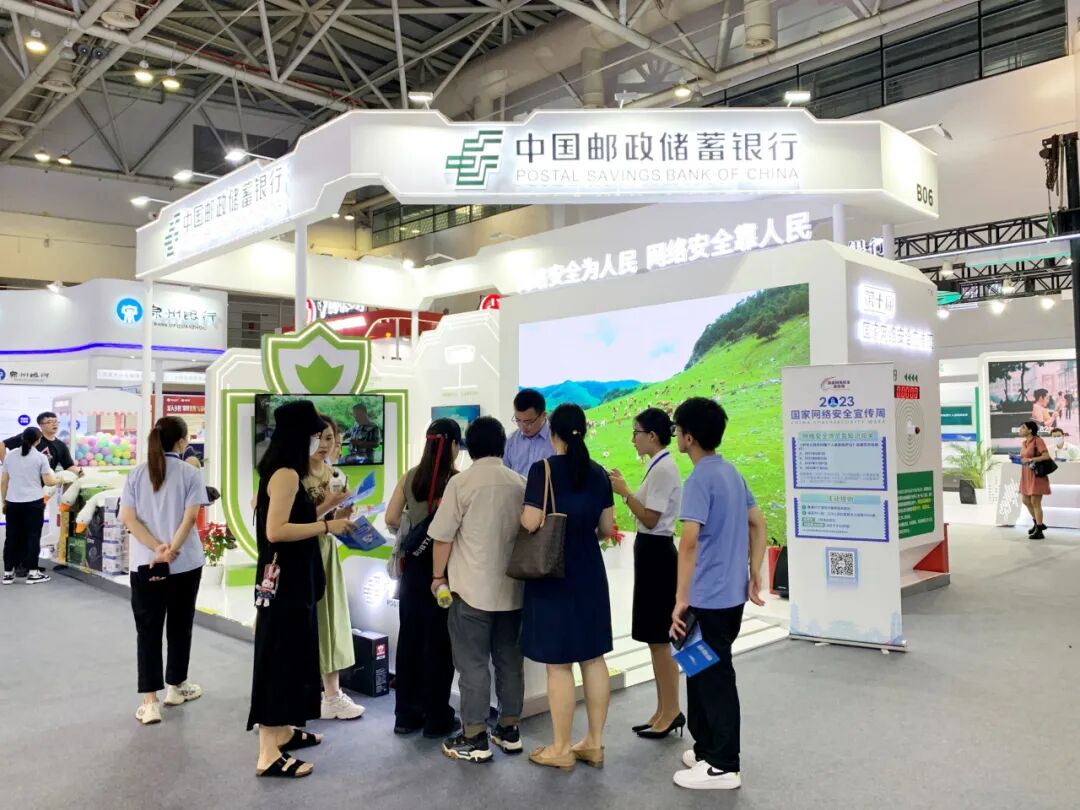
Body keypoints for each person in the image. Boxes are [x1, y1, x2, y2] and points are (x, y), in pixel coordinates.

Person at [248, 400, 355, 779]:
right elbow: (276, 531)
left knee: (293, 657)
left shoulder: (286, 472)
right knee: (278, 660)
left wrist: (330, 510)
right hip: (285, 583)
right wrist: (327, 526)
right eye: (314, 435)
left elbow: (297, 517)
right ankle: (268, 751)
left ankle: (283, 731)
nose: (320, 442)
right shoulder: (285, 475)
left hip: (296, 580)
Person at [670, 397, 766, 791]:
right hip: (730, 596)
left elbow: (689, 542)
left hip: (707, 598)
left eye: (677, 429)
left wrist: (680, 597)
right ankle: (706, 749)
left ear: (689, 437)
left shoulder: (698, 480)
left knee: (715, 679)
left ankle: (724, 764)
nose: (676, 435)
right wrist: (754, 572)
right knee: (699, 672)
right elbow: (758, 524)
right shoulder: (730, 472)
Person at [520, 403, 615, 771]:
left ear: (553, 433)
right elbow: (606, 528)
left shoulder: (542, 470)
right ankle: (594, 743)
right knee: (593, 658)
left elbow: (531, 521)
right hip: (589, 570)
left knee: (558, 664)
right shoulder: (599, 473)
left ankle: (561, 747)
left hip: (553, 573)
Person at [428, 416, 527, 763]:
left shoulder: (461, 483)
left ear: (470, 447)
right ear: (503, 445)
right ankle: (509, 730)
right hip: (513, 590)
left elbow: (442, 536)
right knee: (510, 662)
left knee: (472, 665)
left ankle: (474, 737)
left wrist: (437, 577)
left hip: (470, 590)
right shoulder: (520, 482)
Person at [118, 417, 209, 725]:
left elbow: (129, 519)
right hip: (184, 563)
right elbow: (190, 518)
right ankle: (177, 686)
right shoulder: (190, 473)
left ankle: (150, 702)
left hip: (145, 564)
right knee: (181, 625)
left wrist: (157, 548)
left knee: (148, 630)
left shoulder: (136, 474)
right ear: (181, 442)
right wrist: (171, 550)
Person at [609, 407, 684, 740]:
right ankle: (662, 709)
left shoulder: (664, 468)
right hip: (651, 552)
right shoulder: (657, 465)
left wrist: (624, 493)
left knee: (661, 639)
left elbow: (651, 518)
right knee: (655, 640)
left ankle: (672, 711)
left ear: (652, 435)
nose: (633, 440)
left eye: (636, 433)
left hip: (658, 553)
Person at [384, 418, 461, 739]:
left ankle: (406, 715)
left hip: (412, 571)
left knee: (411, 640)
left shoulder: (410, 476)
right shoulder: (456, 480)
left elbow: (391, 518)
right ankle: (436, 717)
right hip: (443, 572)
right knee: (440, 645)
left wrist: (411, 527)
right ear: (454, 445)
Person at [303, 416, 364, 722]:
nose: (324, 445)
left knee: (331, 620)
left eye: (329, 438)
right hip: (299, 556)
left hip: (326, 553)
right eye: (318, 438)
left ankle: (332, 695)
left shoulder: (336, 474)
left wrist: (344, 513)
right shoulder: (292, 476)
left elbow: (331, 521)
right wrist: (329, 505)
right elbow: (289, 523)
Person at [2, 427, 60, 585]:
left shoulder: (10, 456)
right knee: (33, 537)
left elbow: (4, 482)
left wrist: (4, 502)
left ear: (22, 438)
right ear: (38, 440)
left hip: (13, 502)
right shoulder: (40, 457)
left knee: (11, 537)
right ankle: (33, 573)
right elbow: (48, 481)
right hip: (34, 503)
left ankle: (8, 574)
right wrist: (60, 480)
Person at [1, 411, 82, 476]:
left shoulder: (61, 445)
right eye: (49, 422)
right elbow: (2, 444)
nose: (54, 424)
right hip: (24, 481)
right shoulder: (31, 436)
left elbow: (69, 466)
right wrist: (6, 467)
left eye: (56, 421)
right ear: (41, 425)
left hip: (46, 484)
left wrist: (79, 472)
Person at [504, 389, 554, 478]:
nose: (522, 426)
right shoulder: (511, 441)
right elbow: (505, 474)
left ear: (543, 415)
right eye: (518, 420)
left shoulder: (556, 439)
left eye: (528, 422)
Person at [1019, 420, 1052, 540]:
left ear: (1030, 430)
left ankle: (1039, 530)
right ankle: (1038, 524)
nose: (1020, 429)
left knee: (1035, 502)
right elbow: (1024, 457)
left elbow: (1046, 456)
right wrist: (1018, 459)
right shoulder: (1024, 443)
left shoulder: (1038, 440)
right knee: (1025, 500)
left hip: (1037, 475)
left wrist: (1030, 459)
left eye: (1023, 427)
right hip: (1026, 474)